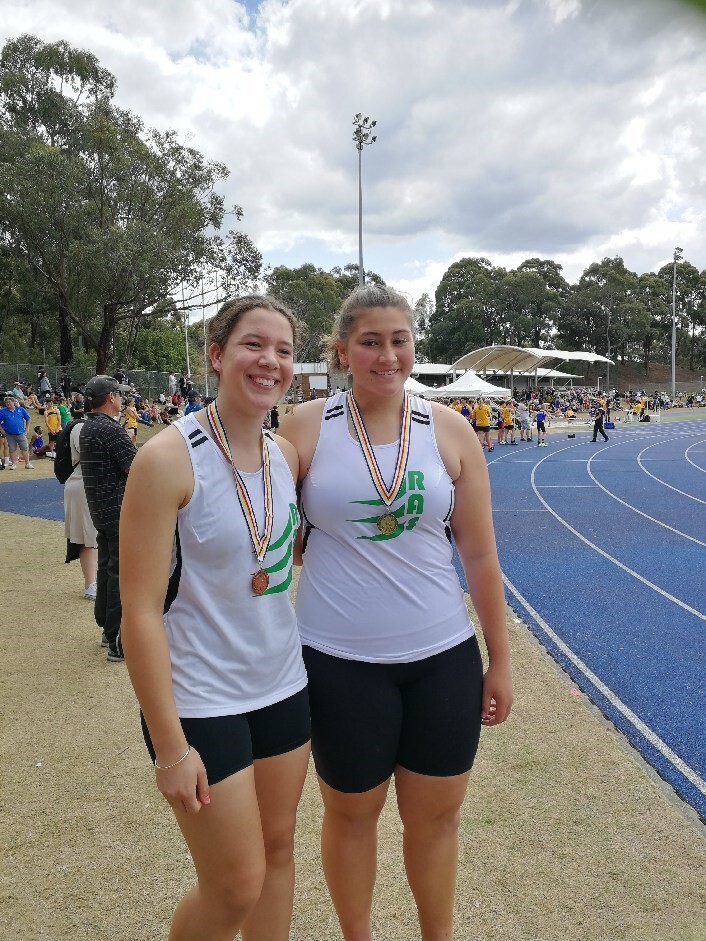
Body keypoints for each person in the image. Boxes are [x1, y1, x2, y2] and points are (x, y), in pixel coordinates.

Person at [279, 284, 513, 941]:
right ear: (342, 351)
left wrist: (500, 660)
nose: (387, 355)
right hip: (339, 662)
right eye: (370, 342)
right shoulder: (304, 427)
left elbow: (481, 556)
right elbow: (269, 531)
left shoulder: (450, 430)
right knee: (352, 817)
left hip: (442, 659)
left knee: (437, 820)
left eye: (399, 340)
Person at [119, 295, 310, 941]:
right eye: (254, 344)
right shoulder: (168, 458)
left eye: (283, 350)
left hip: (283, 686)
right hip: (202, 700)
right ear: (217, 354)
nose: (270, 360)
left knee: (279, 851)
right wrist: (170, 748)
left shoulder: (285, 456)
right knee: (233, 886)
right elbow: (139, 611)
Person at [80, 375, 136, 662]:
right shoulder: (111, 429)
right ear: (111, 397)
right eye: (119, 394)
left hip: (100, 509)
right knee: (120, 573)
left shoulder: (89, 426)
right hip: (118, 509)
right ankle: (116, 638)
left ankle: (106, 628)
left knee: (107, 568)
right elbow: (135, 466)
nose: (122, 399)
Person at [63, 404, 98, 600]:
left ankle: (97, 582)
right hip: (84, 483)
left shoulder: (107, 427)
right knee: (88, 536)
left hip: (101, 486)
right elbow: (89, 454)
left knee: (99, 536)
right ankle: (91, 584)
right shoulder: (81, 427)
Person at [0, 396, 33, 469]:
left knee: (24, 448)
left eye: (9, 402)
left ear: (13, 402)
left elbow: (28, 418)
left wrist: (27, 428)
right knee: (12, 449)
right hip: (9, 434)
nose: (8, 403)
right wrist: (1, 429)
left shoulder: (21, 409)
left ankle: (27, 463)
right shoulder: (3, 411)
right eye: (6, 402)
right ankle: (14, 464)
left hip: (21, 433)